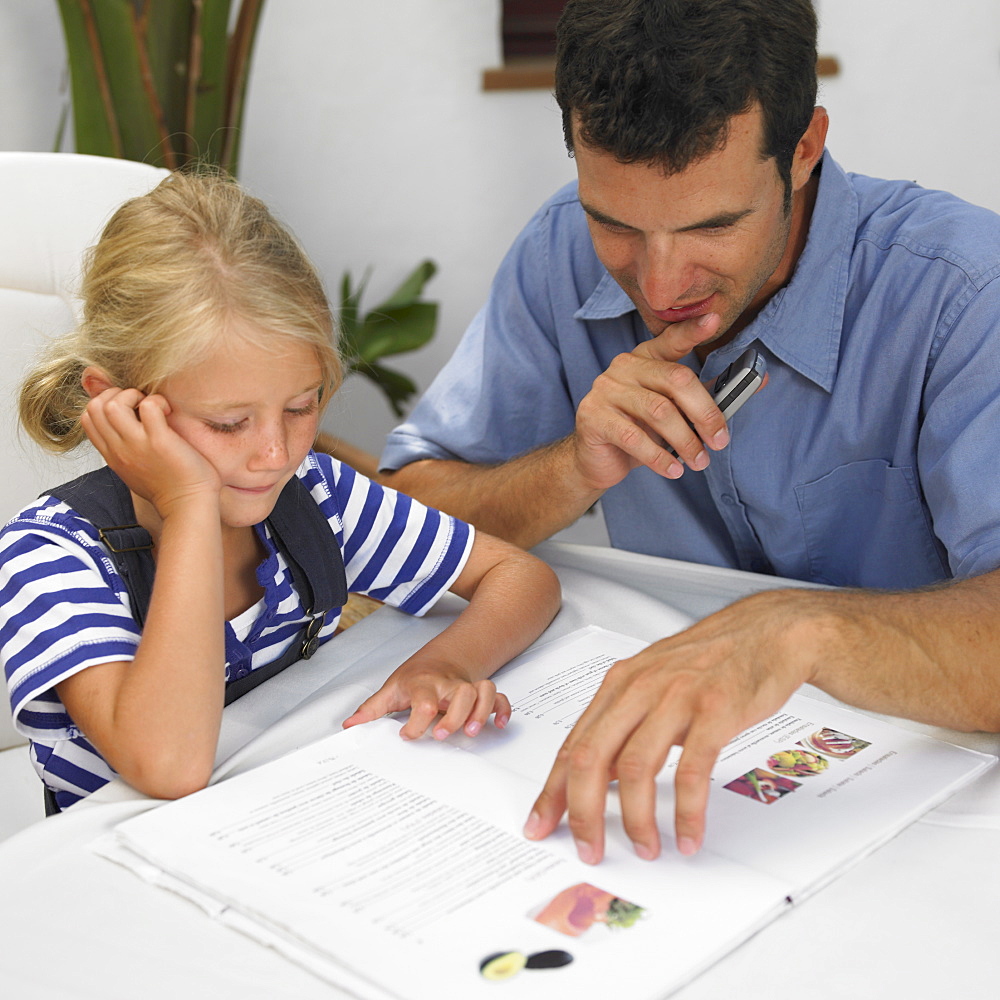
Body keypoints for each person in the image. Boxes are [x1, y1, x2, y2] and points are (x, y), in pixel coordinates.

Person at [378, 0, 1000, 863]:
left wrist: (796, 632)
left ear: (806, 147)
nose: (661, 280)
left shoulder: (968, 293)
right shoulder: (556, 248)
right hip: (666, 801)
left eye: (713, 225)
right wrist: (572, 468)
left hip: (927, 803)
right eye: (618, 224)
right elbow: (399, 522)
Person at [0, 171, 560, 812]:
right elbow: (170, 765)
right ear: (119, 405)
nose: (275, 453)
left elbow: (520, 577)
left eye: (301, 406)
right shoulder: (48, 556)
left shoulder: (315, 497)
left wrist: (447, 665)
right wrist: (188, 510)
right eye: (229, 423)